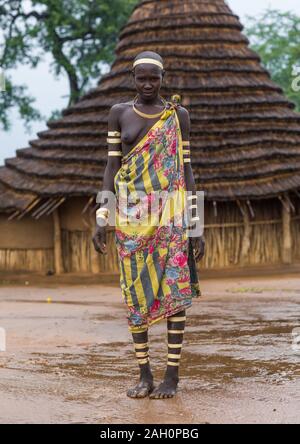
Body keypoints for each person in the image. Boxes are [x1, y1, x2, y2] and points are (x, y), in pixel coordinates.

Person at [93, 51, 205, 399]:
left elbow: (186, 170)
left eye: (152, 78)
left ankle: (172, 376)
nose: (146, 84)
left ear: (162, 78)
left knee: (175, 292)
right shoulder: (119, 114)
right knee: (134, 293)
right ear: (132, 78)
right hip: (131, 217)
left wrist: (196, 224)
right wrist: (102, 216)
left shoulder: (178, 116)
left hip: (171, 215)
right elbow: (112, 167)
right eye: (141, 78)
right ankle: (145, 375)